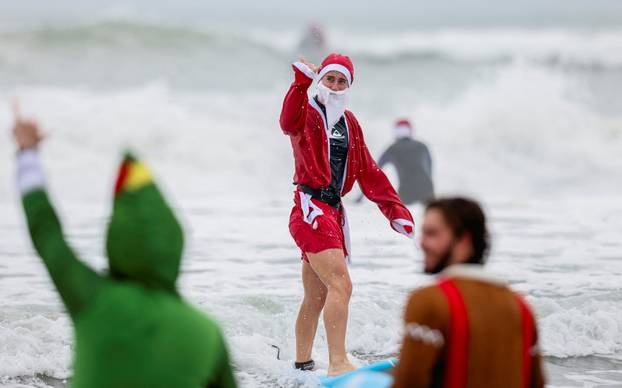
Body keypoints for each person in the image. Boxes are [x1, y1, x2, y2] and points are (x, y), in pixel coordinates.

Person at [11, 105, 237, 388]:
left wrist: (27, 155)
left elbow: (45, 232)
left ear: (116, 239)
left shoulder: (95, 299)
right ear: (175, 244)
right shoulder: (205, 333)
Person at [279, 53, 415, 376]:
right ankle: (338, 364)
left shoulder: (349, 123)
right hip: (310, 208)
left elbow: (368, 170)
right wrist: (300, 82)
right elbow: (286, 122)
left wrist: (394, 209)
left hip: (332, 212)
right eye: (330, 79)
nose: (336, 86)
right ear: (321, 80)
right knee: (342, 284)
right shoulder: (307, 110)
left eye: (342, 81)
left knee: (316, 294)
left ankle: (302, 365)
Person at [392, 197, 545, 388]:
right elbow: (536, 383)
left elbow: (409, 383)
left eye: (432, 234)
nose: (421, 243)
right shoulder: (520, 307)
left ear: (463, 240)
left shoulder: (430, 301)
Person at [376, 119, 434, 205]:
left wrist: (360, 199)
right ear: (410, 131)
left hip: (407, 190)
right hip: (426, 189)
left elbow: (375, 172)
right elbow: (429, 170)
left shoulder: (391, 149)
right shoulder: (422, 146)